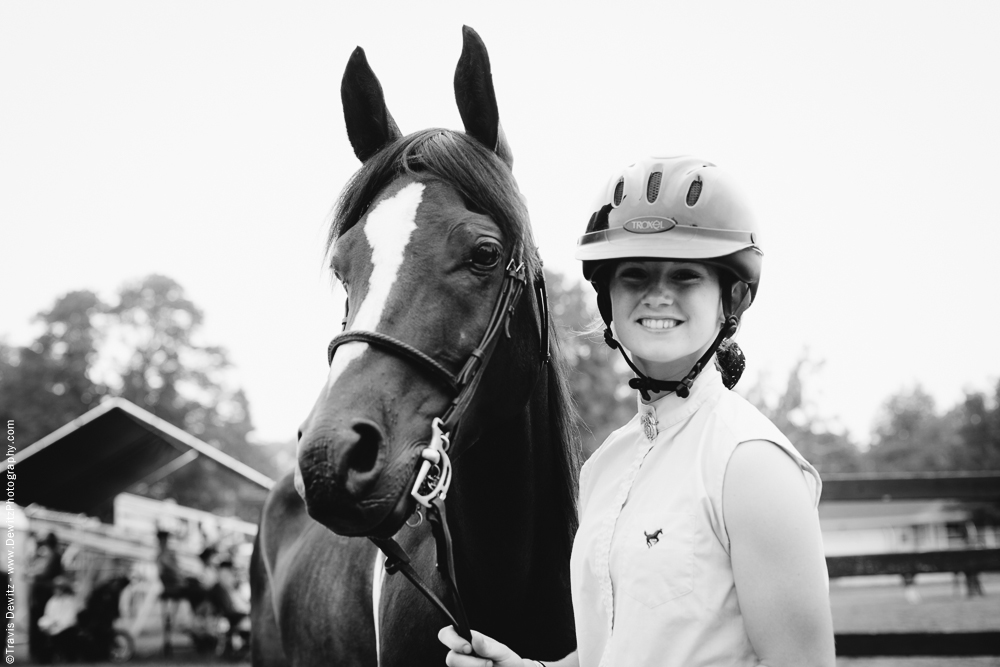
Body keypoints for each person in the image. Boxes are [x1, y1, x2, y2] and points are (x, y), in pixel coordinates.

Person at [440, 157, 835, 666]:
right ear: (607, 300)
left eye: (686, 275)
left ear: (731, 297)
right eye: (635, 275)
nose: (658, 295)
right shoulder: (605, 467)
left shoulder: (751, 464)